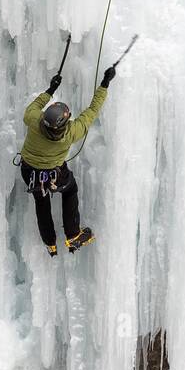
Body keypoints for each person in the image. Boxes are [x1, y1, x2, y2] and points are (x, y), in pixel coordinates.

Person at [18, 64, 117, 255]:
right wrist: (105, 83)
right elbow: (92, 110)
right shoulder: (72, 132)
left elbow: (34, 106)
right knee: (70, 189)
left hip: (29, 171)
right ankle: (73, 235)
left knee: (41, 200)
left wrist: (51, 89)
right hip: (55, 174)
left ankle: (50, 243)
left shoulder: (33, 119)